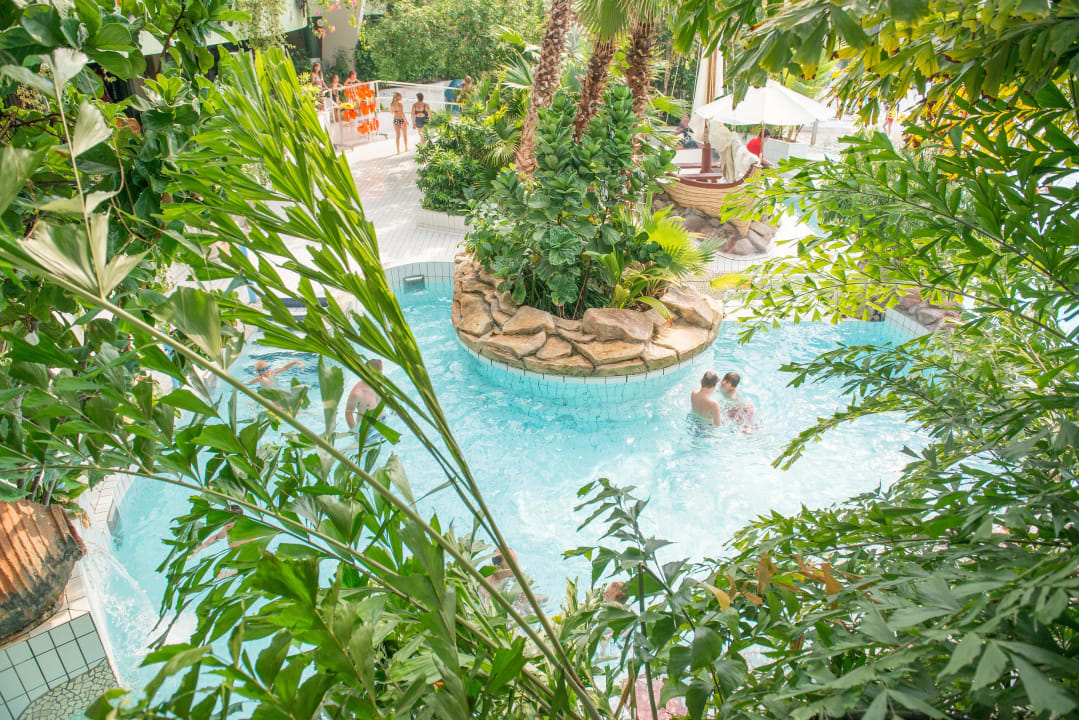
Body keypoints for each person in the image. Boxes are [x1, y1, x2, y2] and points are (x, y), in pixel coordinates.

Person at [345, 359, 384, 429]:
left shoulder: (379, 384)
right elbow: (348, 413)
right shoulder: (357, 393)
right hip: (367, 429)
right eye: (380, 373)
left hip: (383, 421)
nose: (382, 375)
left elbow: (383, 400)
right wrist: (355, 433)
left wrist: (394, 409)